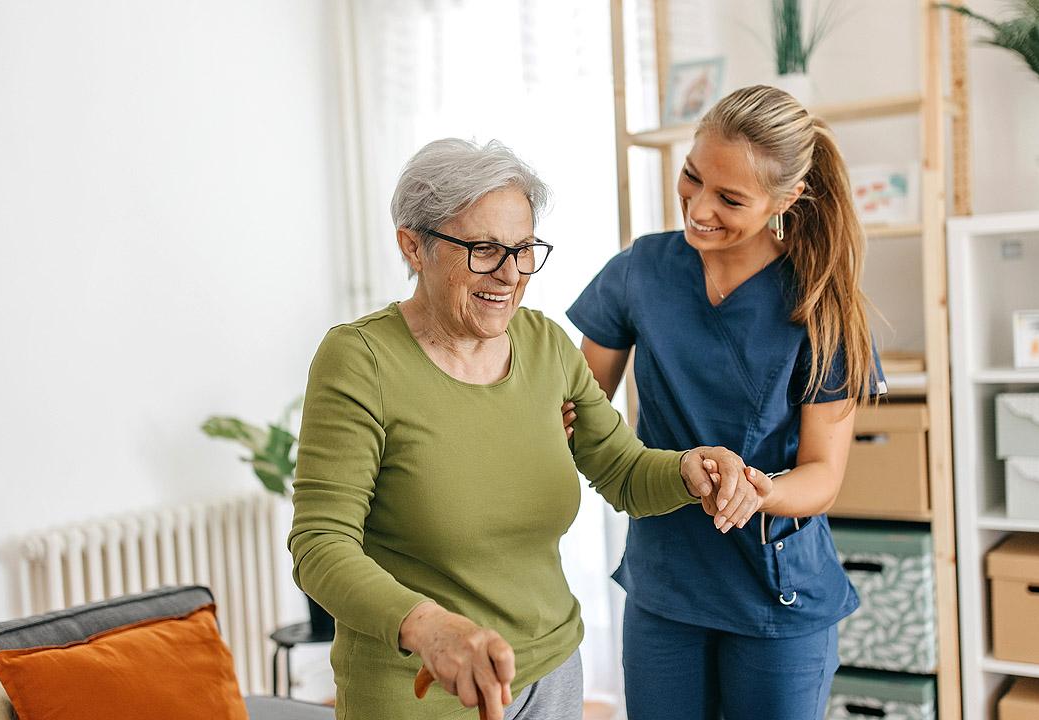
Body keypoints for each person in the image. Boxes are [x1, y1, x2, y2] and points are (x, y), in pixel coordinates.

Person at [287, 138, 769, 720]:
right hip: (420, 685)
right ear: (412, 246)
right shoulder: (360, 359)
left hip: (552, 673)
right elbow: (320, 545)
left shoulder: (544, 345)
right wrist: (429, 629)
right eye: (484, 250)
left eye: (523, 249)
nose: (511, 274)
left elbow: (622, 470)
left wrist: (689, 469)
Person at [566, 85, 887, 720]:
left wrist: (758, 491)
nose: (699, 207)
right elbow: (578, 408)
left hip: (774, 594)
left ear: (785, 200)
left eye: (730, 198)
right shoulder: (640, 272)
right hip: (664, 586)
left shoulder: (821, 304)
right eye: (692, 178)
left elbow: (823, 475)